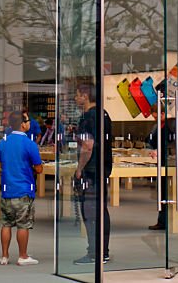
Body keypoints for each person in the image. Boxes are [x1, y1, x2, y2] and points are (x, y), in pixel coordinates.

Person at [0, 110, 43, 266]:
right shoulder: (29, 144)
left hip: (7, 189)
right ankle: (23, 256)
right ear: (23, 124)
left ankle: (4, 256)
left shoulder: (3, 142)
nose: (29, 123)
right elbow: (39, 168)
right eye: (28, 120)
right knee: (23, 225)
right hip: (23, 189)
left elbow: (1, 164)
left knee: (6, 224)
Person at [73, 82, 111, 265]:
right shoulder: (104, 115)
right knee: (101, 210)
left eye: (77, 94)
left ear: (85, 96)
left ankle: (95, 252)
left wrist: (79, 168)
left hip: (91, 171)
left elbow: (87, 146)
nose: (75, 98)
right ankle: (103, 251)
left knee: (89, 211)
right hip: (103, 170)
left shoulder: (87, 118)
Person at [145, 108, 176, 230]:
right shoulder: (157, 126)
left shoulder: (172, 125)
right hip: (161, 163)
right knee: (162, 192)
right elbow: (150, 140)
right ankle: (162, 221)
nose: (155, 119)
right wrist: (152, 150)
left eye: (156, 116)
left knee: (176, 192)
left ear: (162, 114)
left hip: (171, 163)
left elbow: (173, 143)